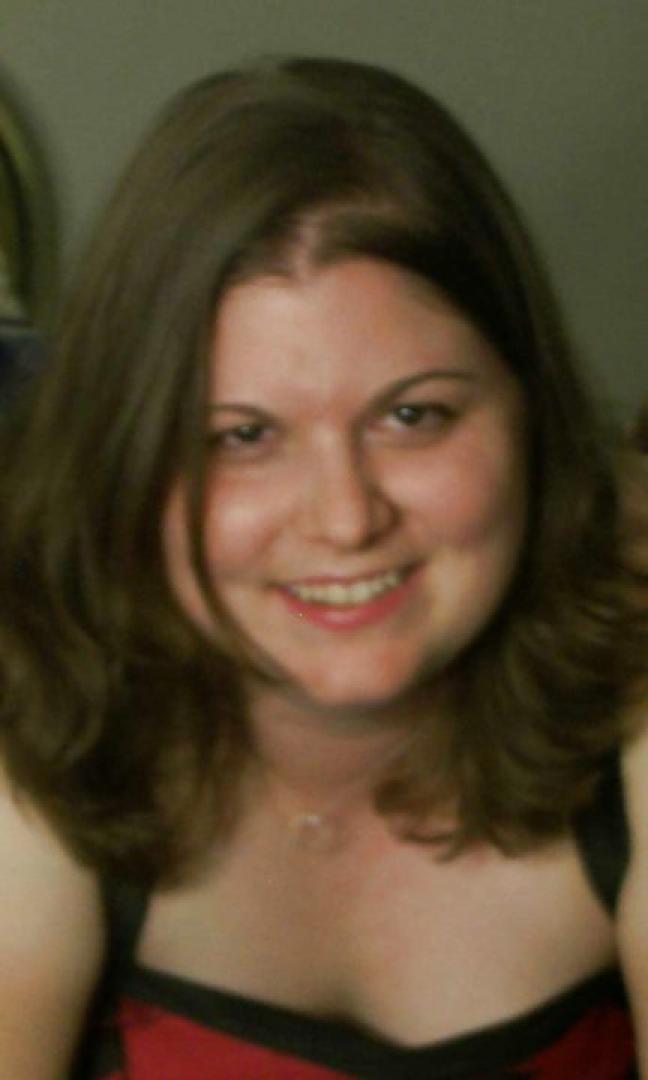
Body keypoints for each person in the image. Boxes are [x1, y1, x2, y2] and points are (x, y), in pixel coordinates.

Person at [0, 56, 645, 1080]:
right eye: (243, 436)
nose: (347, 519)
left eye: (413, 415)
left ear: (531, 413)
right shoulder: (36, 731)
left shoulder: (634, 699)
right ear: (128, 460)